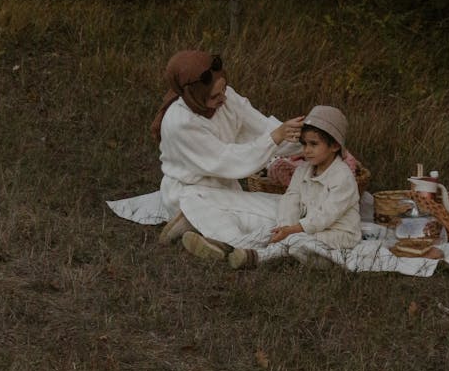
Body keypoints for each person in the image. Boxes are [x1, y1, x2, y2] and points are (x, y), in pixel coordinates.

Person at [151, 50, 304, 244]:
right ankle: (202, 227)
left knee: (280, 208)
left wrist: (307, 141)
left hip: (225, 187)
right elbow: (227, 159)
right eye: (215, 96)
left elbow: (261, 127)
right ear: (194, 95)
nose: (223, 98)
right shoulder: (180, 123)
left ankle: (198, 229)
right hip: (191, 191)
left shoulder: (226, 97)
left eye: (224, 88)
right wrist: (274, 139)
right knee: (269, 221)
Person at [181, 105, 362, 268]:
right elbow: (291, 198)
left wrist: (291, 230)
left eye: (314, 144)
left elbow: (325, 216)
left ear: (335, 145)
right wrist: (284, 226)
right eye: (304, 144)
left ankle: (257, 258)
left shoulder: (343, 177)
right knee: (269, 232)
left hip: (338, 233)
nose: (306, 150)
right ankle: (227, 246)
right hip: (306, 226)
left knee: (297, 241)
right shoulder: (306, 169)